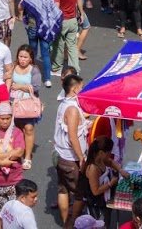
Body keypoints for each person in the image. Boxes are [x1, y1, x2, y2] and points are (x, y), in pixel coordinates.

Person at [0, 103, 29, 220]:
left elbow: (19, 152)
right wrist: (3, 162)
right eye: (2, 118)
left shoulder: (17, 132)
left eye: (8, 118)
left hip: (15, 181)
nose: (5, 121)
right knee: (1, 216)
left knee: (15, 216)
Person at [54, 72, 88, 225]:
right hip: (70, 158)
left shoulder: (63, 103)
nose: (83, 89)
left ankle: (65, 222)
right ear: (74, 89)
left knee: (63, 190)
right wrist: (81, 157)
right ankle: (73, 223)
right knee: (80, 194)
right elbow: (73, 136)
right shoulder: (73, 109)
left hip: (60, 155)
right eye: (81, 87)